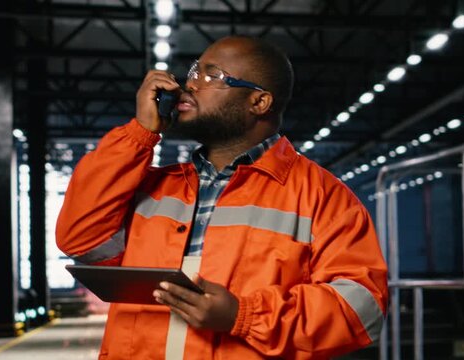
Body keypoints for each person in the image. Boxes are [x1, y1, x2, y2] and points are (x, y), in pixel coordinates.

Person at [56, 36, 388, 359]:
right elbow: (80, 238)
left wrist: (243, 316)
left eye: (212, 75)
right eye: (193, 72)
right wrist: (141, 133)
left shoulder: (323, 197)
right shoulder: (153, 186)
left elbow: (361, 310)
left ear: (259, 102)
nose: (190, 85)